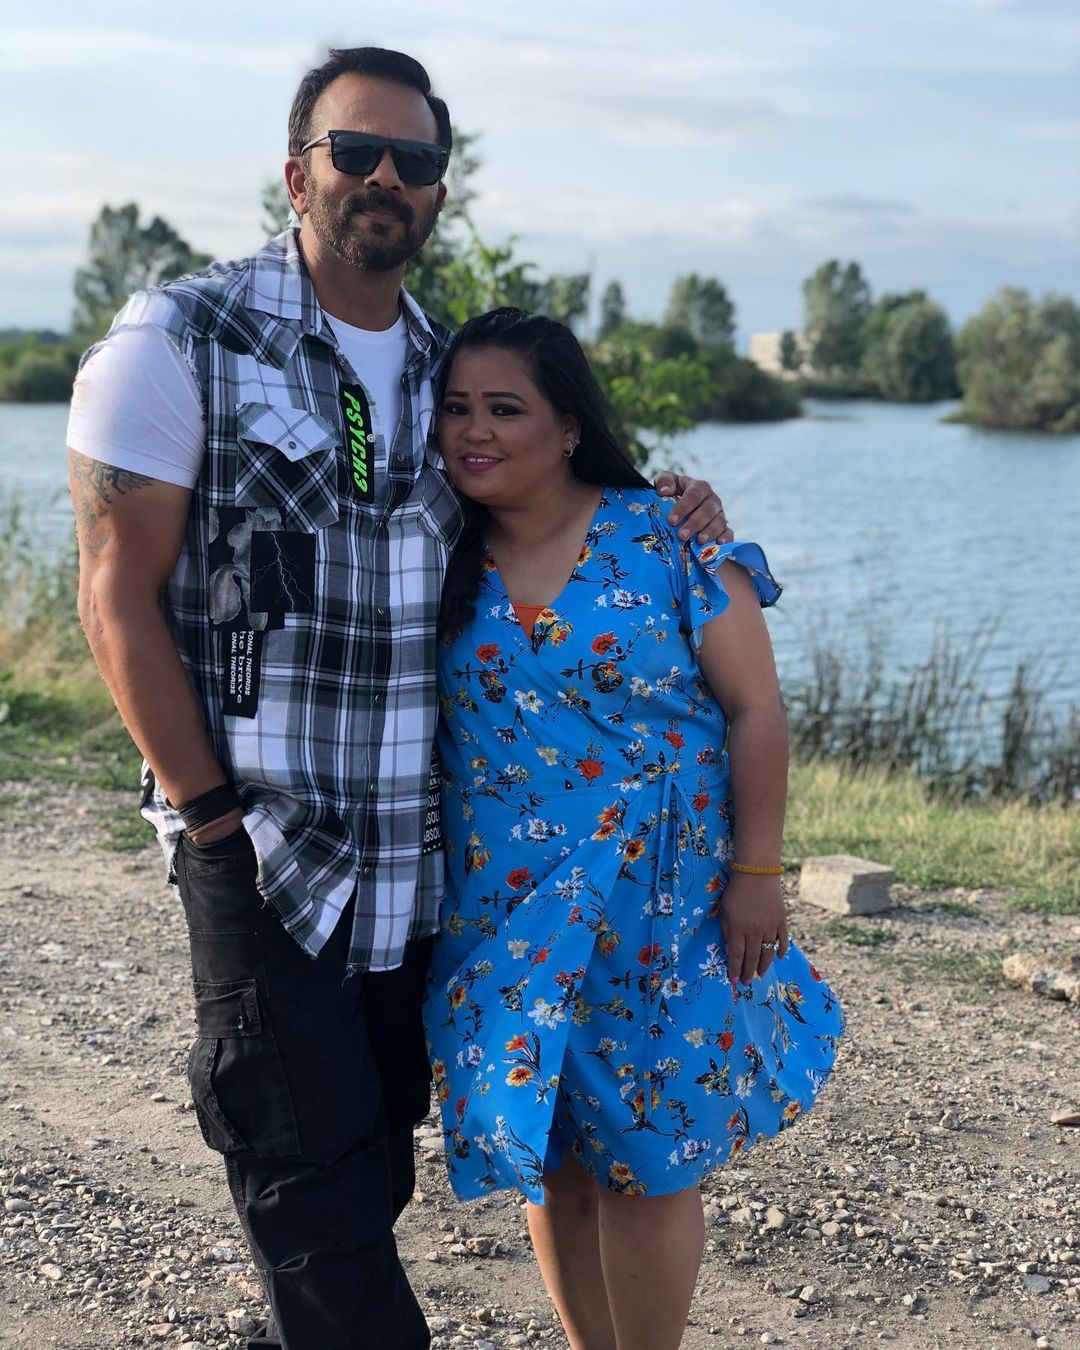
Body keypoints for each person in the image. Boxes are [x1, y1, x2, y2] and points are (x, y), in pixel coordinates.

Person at [65, 46, 730, 1350]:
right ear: (295, 173)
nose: (384, 177)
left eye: (414, 159)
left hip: (420, 862)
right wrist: (211, 822)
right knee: (312, 1193)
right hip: (267, 848)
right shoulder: (181, 338)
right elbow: (112, 598)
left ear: (437, 187)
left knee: (367, 1171)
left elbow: (552, 506)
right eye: (354, 151)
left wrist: (671, 507)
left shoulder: (446, 370)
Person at [425, 309, 844, 1350]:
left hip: (659, 905)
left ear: (568, 425)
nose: (474, 430)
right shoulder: (431, 548)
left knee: (647, 1159)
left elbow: (756, 709)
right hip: (504, 910)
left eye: (505, 409)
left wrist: (758, 871)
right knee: (551, 1148)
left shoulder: (668, 537)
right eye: (456, 408)